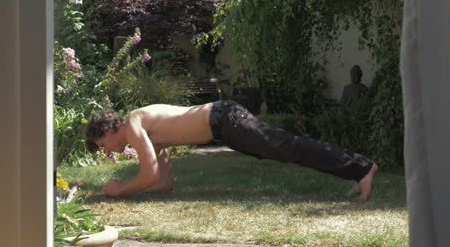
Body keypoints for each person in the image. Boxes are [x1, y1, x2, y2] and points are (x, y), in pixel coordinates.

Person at [85, 100, 378, 200]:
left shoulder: (135, 123)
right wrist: (135, 189)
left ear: (109, 131)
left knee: (290, 147)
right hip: (224, 125)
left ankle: (362, 167)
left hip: (223, 119)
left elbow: (148, 176)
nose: (106, 150)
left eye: (102, 145)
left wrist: (121, 189)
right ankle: (355, 172)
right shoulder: (146, 132)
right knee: (287, 150)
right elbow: (163, 183)